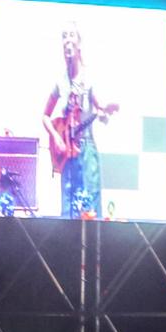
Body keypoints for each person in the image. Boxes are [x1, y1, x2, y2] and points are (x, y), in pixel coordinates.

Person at [40, 22, 117, 219]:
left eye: (71, 35)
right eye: (64, 36)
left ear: (79, 43)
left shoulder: (89, 77)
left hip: (86, 147)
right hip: (67, 152)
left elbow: (102, 112)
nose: (67, 40)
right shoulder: (60, 81)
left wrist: (105, 113)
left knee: (90, 203)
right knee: (68, 204)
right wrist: (56, 137)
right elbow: (45, 116)